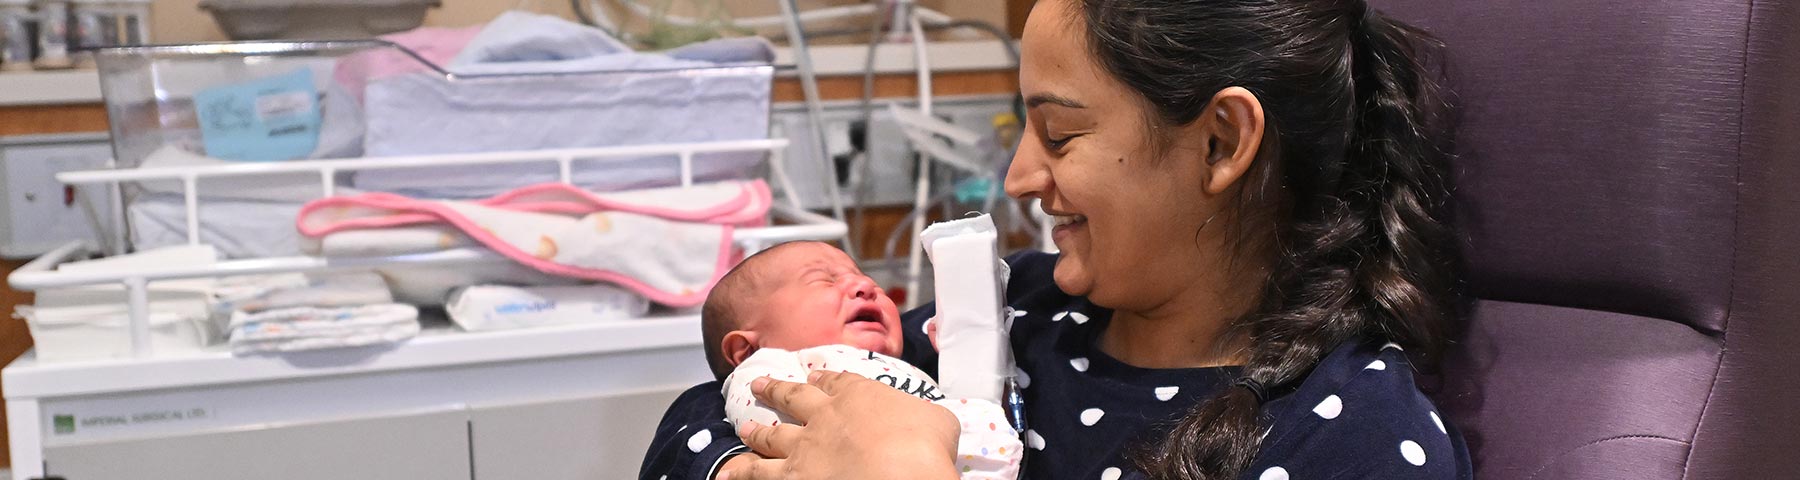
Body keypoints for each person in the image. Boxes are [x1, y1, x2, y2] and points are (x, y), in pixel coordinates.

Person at [651, 0, 1473, 477]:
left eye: (1060, 133)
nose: (1018, 177)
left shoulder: (1349, 433)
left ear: (1220, 143)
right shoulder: (1019, 313)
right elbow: (706, 408)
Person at [641, 241, 1021, 479]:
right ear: (747, 351)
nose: (867, 286)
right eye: (823, 280)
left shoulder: (917, 367)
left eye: (865, 278)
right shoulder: (769, 374)